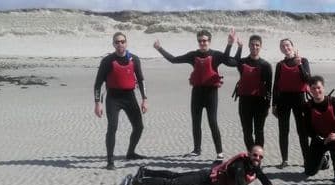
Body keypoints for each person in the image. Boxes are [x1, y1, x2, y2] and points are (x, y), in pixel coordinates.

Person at [153, 28, 237, 160]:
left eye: (204, 41)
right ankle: (196, 149)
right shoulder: (193, 55)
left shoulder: (216, 55)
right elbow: (173, 60)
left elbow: (227, 60)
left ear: (209, 41)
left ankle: (219, 152)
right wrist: (159, 48)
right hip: (197, 93)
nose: (202, 43)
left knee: (212, 122)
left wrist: (230, 44)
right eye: (200, 41)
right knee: (196, 122)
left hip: (211, 93)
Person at [112, 146, 280, 185]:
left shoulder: (255, 166)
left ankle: (145, 170)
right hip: (206, 178)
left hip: (208, 174)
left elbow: (265, 180)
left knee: (176, 175)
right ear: (249, 154)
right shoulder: (240, 167)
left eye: (260, 157)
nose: (257, 159)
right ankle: (136, 180)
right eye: (255, 155)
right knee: (172, 183)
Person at [94, 32, 148, 170]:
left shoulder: (134, 59)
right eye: (117, 42)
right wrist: (97, 103)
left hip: (130, 97)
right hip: (113, 98)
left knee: (139, 127)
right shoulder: (107, 61)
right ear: (113, 44)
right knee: (112, 127)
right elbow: (98, 83)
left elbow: (141, 80)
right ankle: (110, 161)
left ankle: (130, 153)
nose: (120, 44)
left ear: (126, 43)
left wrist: (144, 99)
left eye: (122, 41)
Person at [301, 75, 335, 185]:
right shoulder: (307, 106)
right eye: (313, 88)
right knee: (309, 171)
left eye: (319, 87)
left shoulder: (334, 102)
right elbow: (307, 127)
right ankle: (324, 160)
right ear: (309, 89)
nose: (316, 91)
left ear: (323, 88)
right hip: (319, 139)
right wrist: (319, 138)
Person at [272, 38, 311, 168]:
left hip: (299, 99)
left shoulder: (303, 61)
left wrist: (299, 65)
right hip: (283, 99)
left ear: (292, 46)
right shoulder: (280, 64)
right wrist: (274, 104)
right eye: (283, 46)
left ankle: (307, 160)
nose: (286, 48)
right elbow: (276, 85)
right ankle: (285, 160)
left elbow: (308, 79)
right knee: (283, 130)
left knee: (302, 130)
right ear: (281, 49)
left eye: (288, 45)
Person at [232, 34, 273, 150]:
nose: (254, 47)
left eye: (257, 45)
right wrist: (239, 48)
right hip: (244, 101)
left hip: (260, 102)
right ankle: (251, 155)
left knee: (259, 131)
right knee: (247, 131)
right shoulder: (242, 62)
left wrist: (267, 106)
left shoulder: (266, 65)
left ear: (261, 47)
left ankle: (258, 157)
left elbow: (269, 88)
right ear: (249, 46)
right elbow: (234, 61)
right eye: (252, 45)